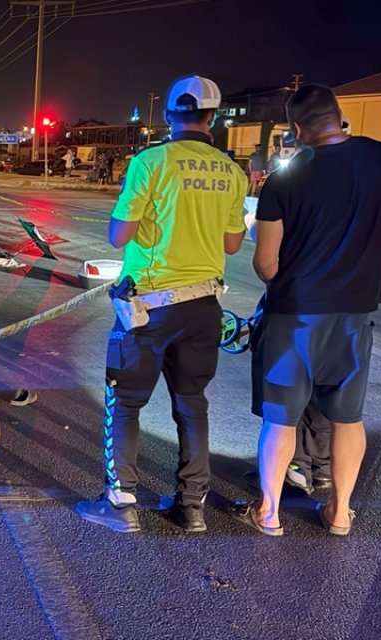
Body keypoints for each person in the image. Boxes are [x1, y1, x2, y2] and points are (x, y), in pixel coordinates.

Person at [234, 84, 381, 536]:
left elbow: (266, 264)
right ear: (339, 118)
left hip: (294, 315)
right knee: (348, 418)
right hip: (355, 316)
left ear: (297, 130)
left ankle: (269, 512)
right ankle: (339, 512)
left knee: (281, 418)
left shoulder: (286, 179)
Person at [75, 76, 248, 534]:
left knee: (125, 403)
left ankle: (120, 502)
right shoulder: (232, 171)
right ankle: (191, 506)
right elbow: (232, 244)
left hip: (150, 307)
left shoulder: (150, 162)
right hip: (205, 305)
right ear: (213, 118)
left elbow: (119, 235)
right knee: (192, 404)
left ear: (169, 114)